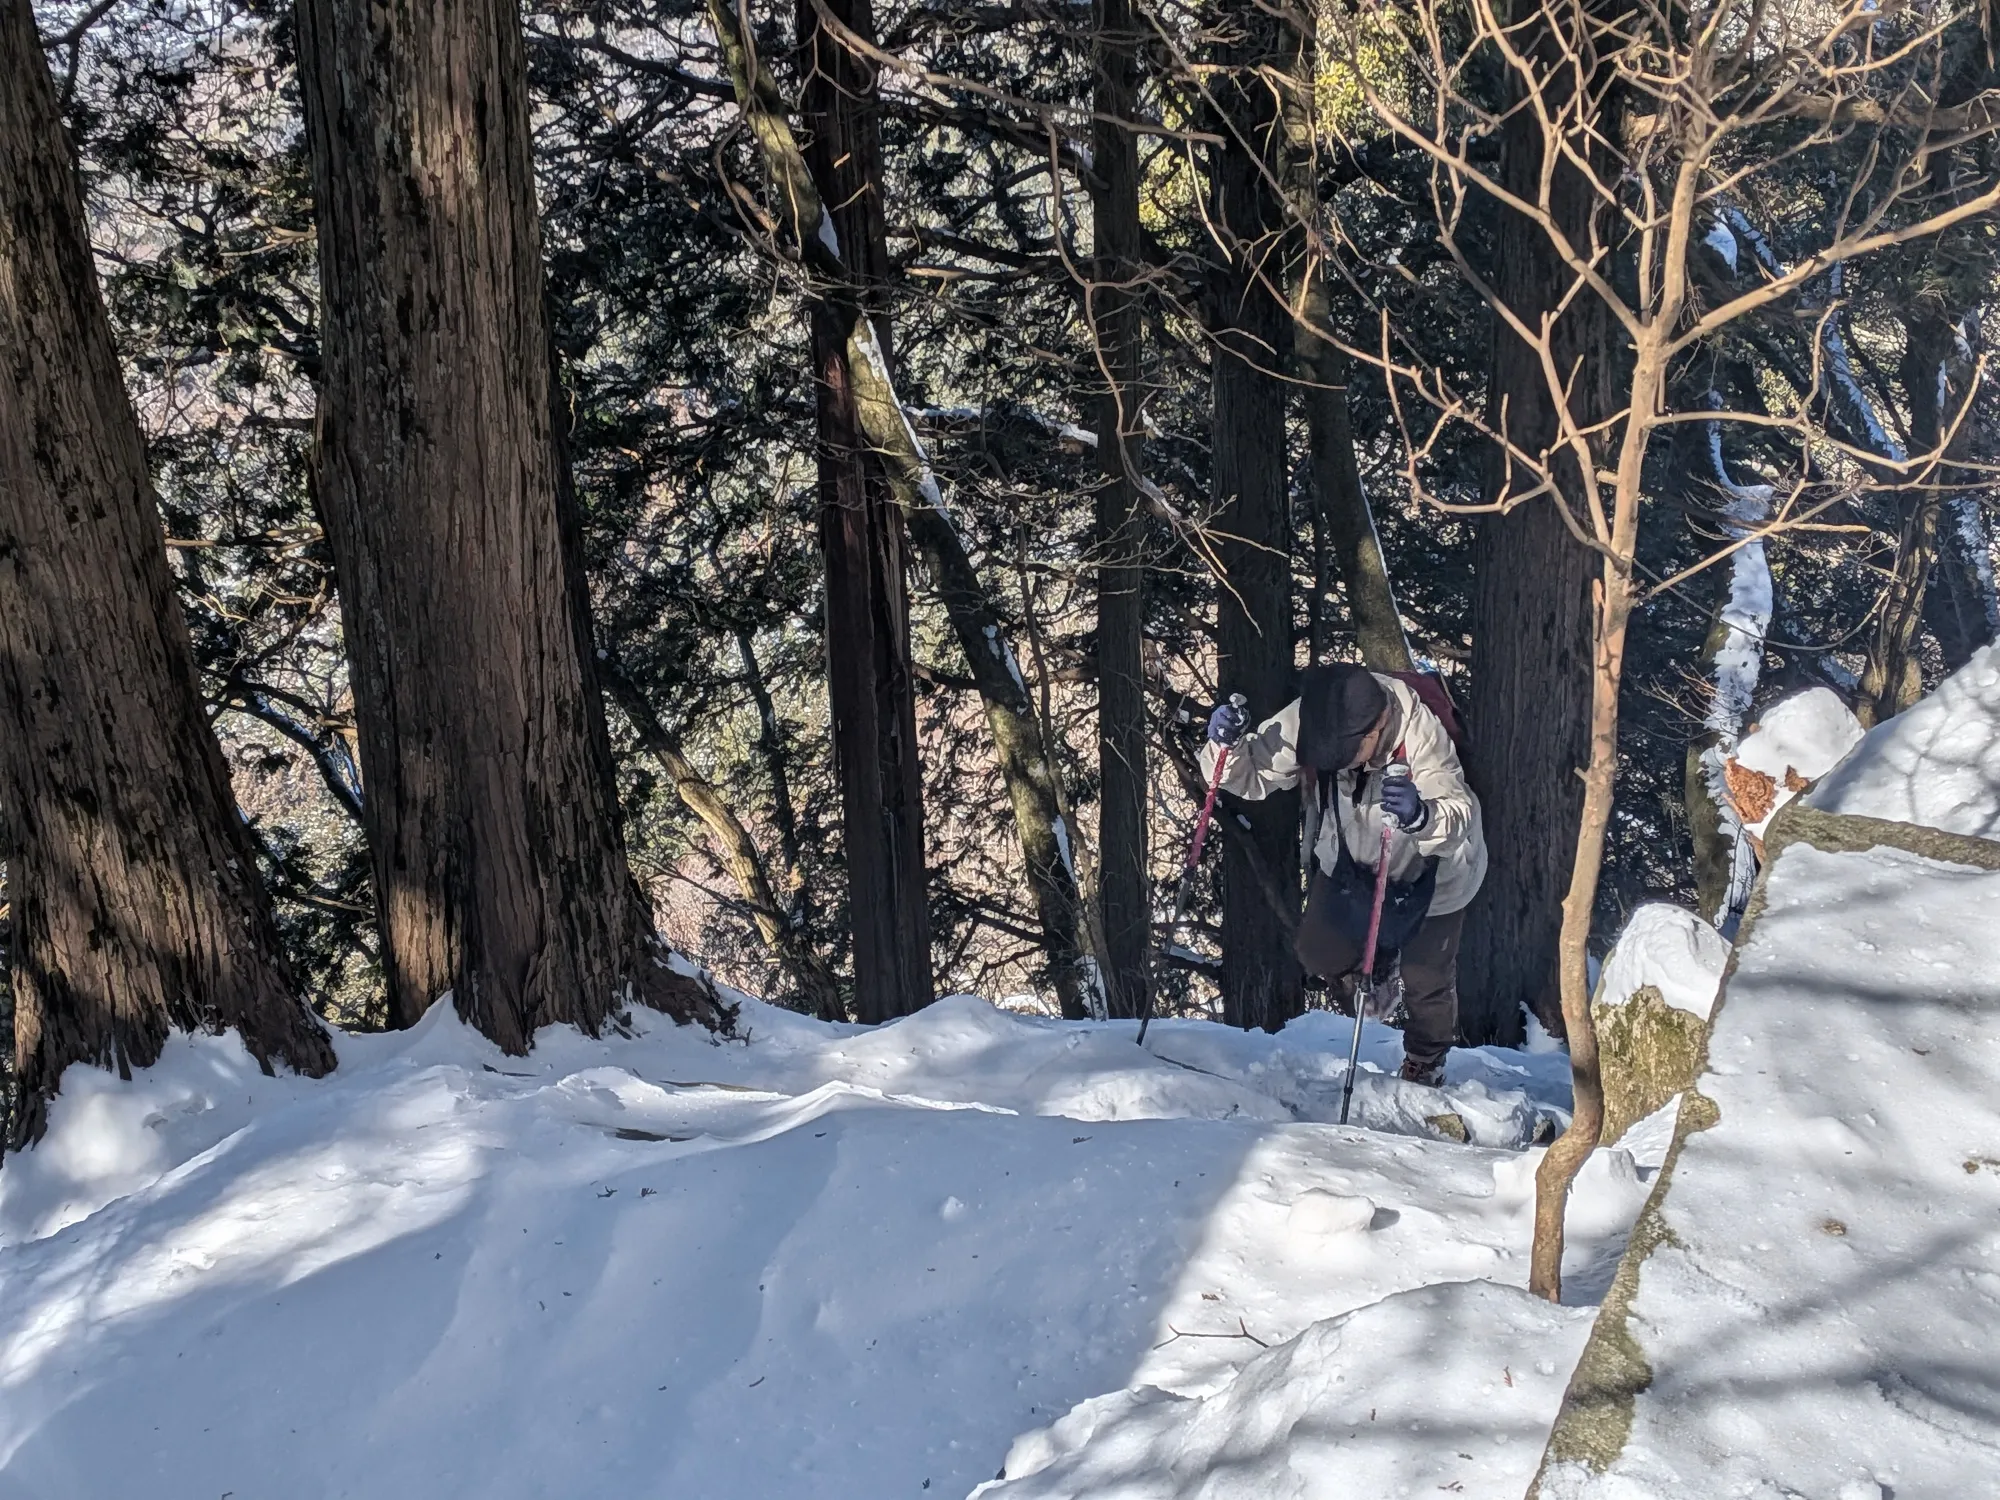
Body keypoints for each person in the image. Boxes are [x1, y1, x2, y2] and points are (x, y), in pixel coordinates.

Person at [1201, 663, 1487, 1087]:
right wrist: (1225, 746)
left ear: (1376, 729)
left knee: (1426, 980)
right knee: (1318, 951)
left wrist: (1422, 815)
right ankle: (1377, 964)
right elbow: (1249, 774)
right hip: (1350, 862)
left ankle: (1425, 1061)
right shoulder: (1317, 713)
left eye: (1344, 753)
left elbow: (1457, 810)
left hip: (1435, 875)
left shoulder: (1419, 733)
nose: (1332, 760)